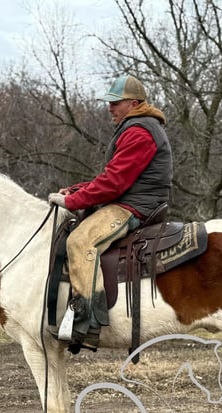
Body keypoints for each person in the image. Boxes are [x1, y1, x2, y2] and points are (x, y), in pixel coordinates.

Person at [48, 74, 172, 349]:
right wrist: (78, 190)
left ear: (134, 103)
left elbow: (115, 183)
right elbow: (112, 176)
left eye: (116, 102)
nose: (110, 107)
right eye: (110, 102)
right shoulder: (135, 127)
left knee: (80, 241)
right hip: (131, 199)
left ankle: (87, 321)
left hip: (134, 206)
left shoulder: (139, 132)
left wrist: (73, 203)